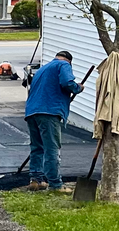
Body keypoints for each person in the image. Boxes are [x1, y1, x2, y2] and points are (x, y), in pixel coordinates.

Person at [23, 50, 81, 191]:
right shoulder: (63, 65)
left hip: (32, 111)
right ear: (69, 61)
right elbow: (67, 83)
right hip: (49, 111)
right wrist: (78, 88)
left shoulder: (42, 69)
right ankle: (55, 184)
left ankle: (36, 180)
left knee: (37, 147)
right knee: (51, 148)